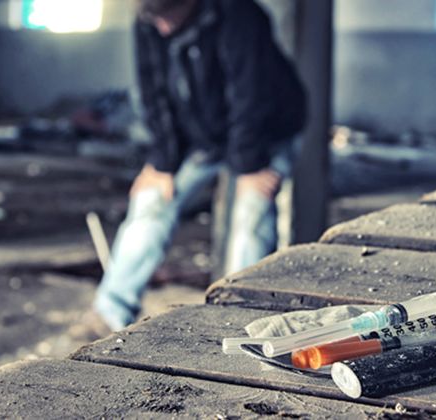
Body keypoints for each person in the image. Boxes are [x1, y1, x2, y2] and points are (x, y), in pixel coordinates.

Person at [86, 0, 307, 333]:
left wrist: (251, 166)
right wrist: (162, 162)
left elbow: (251, 95)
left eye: (168, 18)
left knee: (251, 211)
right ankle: (109, 312)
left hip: (264, 132)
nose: (162, 29)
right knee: (151, 199)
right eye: (154, 21)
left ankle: (239, 318)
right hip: (204, 136)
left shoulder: (240, 15)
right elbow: (153, 93)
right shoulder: (148, 18)